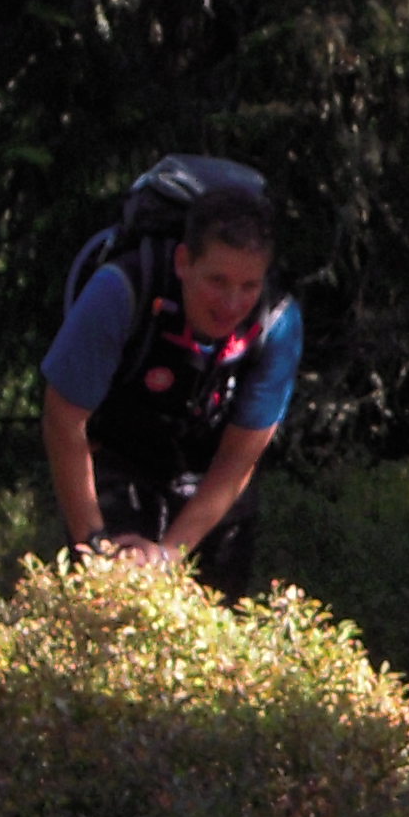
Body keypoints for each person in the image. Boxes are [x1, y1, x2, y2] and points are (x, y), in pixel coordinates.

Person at [39, 181, 302, 599]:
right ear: (183, 261)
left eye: (249, 286)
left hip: (211, 473)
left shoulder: (279, 323)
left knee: (213, 628)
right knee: (109, 604)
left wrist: (167, 557)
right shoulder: (119, 291)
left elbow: (239, 458)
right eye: (217, 280)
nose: (232, 303)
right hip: (116, 459)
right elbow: (64, 418)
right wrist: (94, 548)